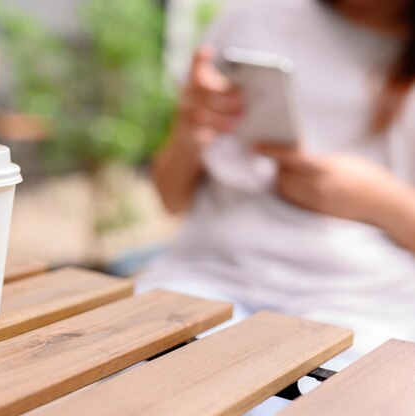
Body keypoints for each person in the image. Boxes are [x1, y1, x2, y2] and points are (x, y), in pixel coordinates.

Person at [138, 0, 415, 365]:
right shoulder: (252, 17)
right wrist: (191, 132)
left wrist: (375, 198)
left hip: (365, 305)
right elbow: (171, 198)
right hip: (208, 277)